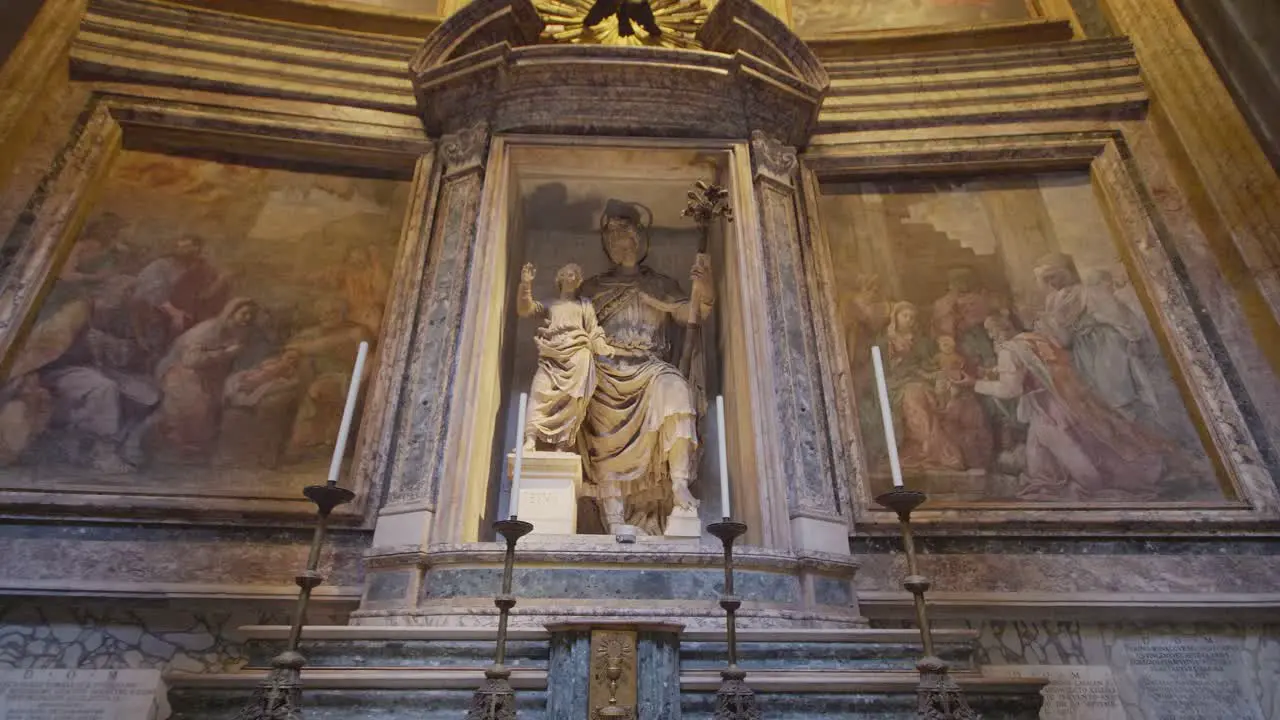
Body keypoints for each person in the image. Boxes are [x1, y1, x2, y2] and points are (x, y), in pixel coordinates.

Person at [577, 204, 712, 535]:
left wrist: (705, 285)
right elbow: (572, 328)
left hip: (651, 366)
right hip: (606, 369)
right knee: (597, 412)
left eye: (629, 239)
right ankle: (614, 518)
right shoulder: (593, 289)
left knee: (676, 390)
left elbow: (694, 313)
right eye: (615, 240)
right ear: (606, 246)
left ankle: (679, 483)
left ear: (641, 241)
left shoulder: (660, 285)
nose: (623, 246)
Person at [974, 313, 1175, 501]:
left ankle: (1093, 484)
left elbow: (1011, 389)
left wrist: (976, 384)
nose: (991, 337)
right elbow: (1037, 367)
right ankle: (1050, 483)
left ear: (997, 332)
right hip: (1063, 399)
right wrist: (994, 372)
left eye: (991, 332)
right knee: (1041, 455)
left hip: (1047, 409)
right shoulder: (1032, 339)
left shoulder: (1009, 350)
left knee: (1068, 449)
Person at [1033, 252, 1157, 425]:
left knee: (1116, 392)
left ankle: (1141, 429)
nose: (1052, 283)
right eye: (1047, 279)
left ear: (1065, 271)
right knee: (1098, 400)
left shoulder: (1089, 292)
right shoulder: (1053, 300)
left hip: (1106, 345)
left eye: (1053, 276)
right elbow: (1064, 339)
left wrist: (1133, 339)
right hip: (1082, 351)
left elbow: (1120, 316)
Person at [516, 262, 614, 452]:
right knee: (539, 391)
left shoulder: (584, 305)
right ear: (559, 278)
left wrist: (602, 346)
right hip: (552, 354)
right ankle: (530, 439)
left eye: (576, 275)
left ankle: (562, 445)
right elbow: (525, 310)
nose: (572, 277)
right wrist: (526, 285)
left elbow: (594, 330)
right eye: (568, 274)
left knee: (572, 400)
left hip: (578, 354)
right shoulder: (551, 304)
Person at [153, 298, 256, 459]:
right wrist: (226, 353)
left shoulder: (240, 330)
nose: (248, 318)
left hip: (209, 374)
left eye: (251, 314)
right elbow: (190, 361)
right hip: (181, 372)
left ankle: (197, 451)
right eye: (244, 313)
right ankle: (180, 449)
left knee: (219, 402)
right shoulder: (207, 330)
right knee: (198, 405)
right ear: (231, 313)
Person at [880, 301, 964, 472]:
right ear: (895, 317)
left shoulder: (922, 342)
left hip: (919, 380)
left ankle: (928, 448)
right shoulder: (886, 341)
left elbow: (928, 365)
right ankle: (931, 448)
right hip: (896, 384)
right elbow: (884, 369)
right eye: (905, 316)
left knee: (931, 397)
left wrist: (936, 374)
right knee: (914, 398)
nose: (909, 320)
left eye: (912, 317)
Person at [130, 235, 229, 357]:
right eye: (180, 247)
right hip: (156, 309)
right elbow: (154, 292)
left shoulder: (204, 269)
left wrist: (220, 281)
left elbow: (205, 295)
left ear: (198, 249)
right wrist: (175, 312)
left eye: (189, 247)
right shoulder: (160, 266)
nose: (184, 250)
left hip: (189, 313)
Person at [933, 334, 993, 470]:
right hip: (949, 398)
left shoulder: (959, 365)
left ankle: (973, 460)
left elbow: (960, 384)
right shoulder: (939, 368)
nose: (948, 349)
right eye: (944, 345)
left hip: (962, 403)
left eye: (950, 346)